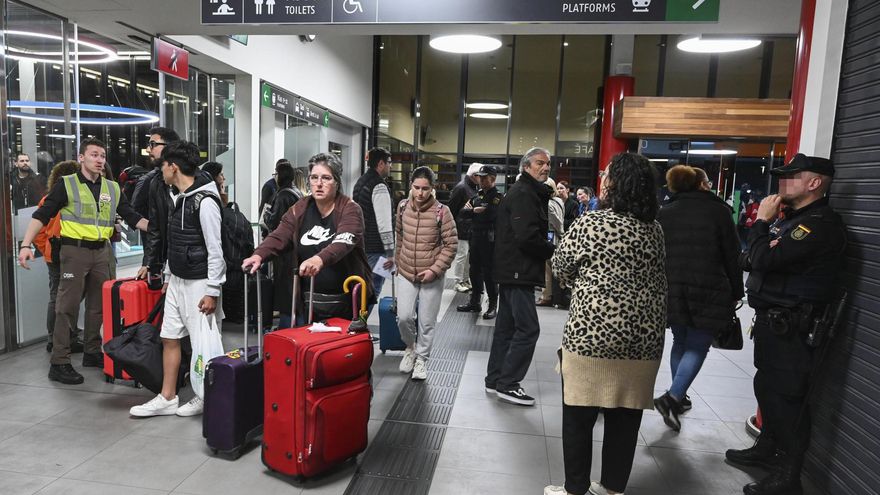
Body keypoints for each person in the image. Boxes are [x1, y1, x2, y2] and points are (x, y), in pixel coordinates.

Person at [545, 152, 667, 495]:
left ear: (616, 183)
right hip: (643, 339)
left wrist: (583, 284)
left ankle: (575, 488)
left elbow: (560, 265)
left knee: (579, 416)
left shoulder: (591, 223)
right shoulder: (655, 229)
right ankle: (612, 488)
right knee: (626, 419)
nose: (602, 178)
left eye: (606, 174)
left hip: (591, 337)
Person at [725, 154, 847, 495]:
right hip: (774, 323)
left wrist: (761, 224)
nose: (783, 181)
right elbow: (749, 259)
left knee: (788, 401)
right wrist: (762, 248)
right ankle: (766, 448)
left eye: (792, 176)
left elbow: (761, 258)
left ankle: (788, 476)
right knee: (767, 388)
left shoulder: (818, 225)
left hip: (795, 327)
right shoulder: (792, 221)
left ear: (814, 183)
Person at [18, 139, 148, 385]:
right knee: (66, 306)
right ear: (81, 158)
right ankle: (59, 362)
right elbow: (41, 215)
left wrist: (157, 227)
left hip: (101, 252)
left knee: (98, 305)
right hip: (74, 252)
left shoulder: (112, 187)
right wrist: (26, 245)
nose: (99, 160)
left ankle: (92, 351)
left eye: (102, 156)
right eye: (94, 155)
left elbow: (131, 216)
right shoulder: (66, 184)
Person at [129, 141, 226, 418]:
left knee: (202, 343)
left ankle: (207, 395)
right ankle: (167, 397)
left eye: (163, 165)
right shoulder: (178, 197)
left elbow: (215, 250)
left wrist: (212, 290)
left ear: (173, 167)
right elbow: (175, 242)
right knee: (169, 337)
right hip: (178, 281)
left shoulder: (205, 202)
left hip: (200, 283)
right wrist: (169, 276)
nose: (160, 170)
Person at [653, 165, 744, 432]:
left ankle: (678, 395)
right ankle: (672, 398)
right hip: (709, 288)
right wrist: (737, 291)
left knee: (681, 341)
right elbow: (732, 255)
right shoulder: (719, 212)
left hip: (673, 287)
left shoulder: (665, 211)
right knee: (698, 344)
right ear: (702, 184)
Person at [242, 153, 374, 324]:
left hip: (347, 300)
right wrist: (259, 255)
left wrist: (319, 259)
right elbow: (280, 234)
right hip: (309, 299)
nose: (319, 183)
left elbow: (343, 242)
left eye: (326, 178)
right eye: (314, 177)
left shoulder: (350, 209)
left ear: (336, 182)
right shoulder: (300, 208)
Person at [485, 147, 555, 406]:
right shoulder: (524, 193)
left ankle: (495, 379)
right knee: (528, 329)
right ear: (526, 166)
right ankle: (509, 383)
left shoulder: (530, 191)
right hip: (518, 271)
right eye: (539, 163)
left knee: (506, 328)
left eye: (548, 163)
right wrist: (552, 250)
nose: (545, 167)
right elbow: (526, 236)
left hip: (513, 270)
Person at [393, 166, 458, 380]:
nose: (420, 193)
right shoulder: (403, 207)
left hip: (431, 275)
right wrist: (397, 261)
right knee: (403, 317)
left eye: (425, 189)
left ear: (432, 188)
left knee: (426, 321)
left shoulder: (442, 211)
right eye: (416, 187)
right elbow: (399, 235)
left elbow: (451, 245)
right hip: (406, 271)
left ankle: (422, 359)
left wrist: (434, 270)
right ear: (411, 186)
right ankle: (410, 347)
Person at [32, 160, 82, 354]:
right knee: (64, 296)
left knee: (62, 296)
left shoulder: (50, 199)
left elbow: (39, 231)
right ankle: (60, 338)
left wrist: (47, 247)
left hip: (59, 254)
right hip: (63, 255)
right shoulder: (64, 200)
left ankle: (61, 337)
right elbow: (39, 231)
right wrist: (48, 247)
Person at [133, 127, 181, 286]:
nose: (148, 149)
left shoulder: (197, 180)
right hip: (167, 261)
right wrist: (149, 262)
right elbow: (155, 227)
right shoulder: (154, 182)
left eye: (153, 144)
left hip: (195, 265)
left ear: (169, 147)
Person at [456, 165, 503, 319]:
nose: (481, 180)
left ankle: (492, 305)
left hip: (489, 240)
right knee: (474, 271)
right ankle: (475, 302)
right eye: (480, 177)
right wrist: (473, 211)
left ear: (493, 179)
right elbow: (462, 213)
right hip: (475, 238)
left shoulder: (498, 197)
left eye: (484, 178)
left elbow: (490, 215)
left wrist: (474, 212)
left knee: (489, 274)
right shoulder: (478, 196)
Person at [264, 160, 305, 328]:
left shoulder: (282, 196)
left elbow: (276, 224)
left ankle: (286, 326)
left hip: (285, 252)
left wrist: (267, 215)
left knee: (285, 291)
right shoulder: (297, 192)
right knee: (295, 291)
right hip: (297, 248)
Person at [352, 147, 395, 310]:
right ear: (381, 164)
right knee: (373, 291)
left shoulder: (360, 182)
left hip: (362, 246)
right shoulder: (379, 186)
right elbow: (384, 223)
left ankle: (356, 321)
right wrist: (390, 253)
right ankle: (360, 323)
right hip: (378, 250)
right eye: (389, 163)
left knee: (361, 291)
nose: (390, 166)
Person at [447, 163, 481, 292]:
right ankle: (458, 281)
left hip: (469, 227)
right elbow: (451, 209)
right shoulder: (461, 187)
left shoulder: (472, 187)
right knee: (462, 255)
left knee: (467, 256)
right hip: (462, 227)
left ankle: (465, 279)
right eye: (480, 176)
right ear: (474, 176)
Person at [538, 177, 565, 307]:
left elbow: (556, 221)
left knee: (547, 268)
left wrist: (561, 232)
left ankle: (546, 296)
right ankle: (556, 297)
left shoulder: (548, 204)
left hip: (551, 236)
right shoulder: (559, 201)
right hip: (557, 237)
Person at [258, 158, 287, 238]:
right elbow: (263, 208)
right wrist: (265, 231)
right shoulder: (269, 186)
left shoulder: (286, 186)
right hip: (271, 230)